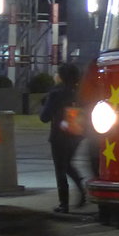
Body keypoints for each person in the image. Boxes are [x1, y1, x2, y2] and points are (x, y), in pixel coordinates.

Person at [39, 62, 87, 213]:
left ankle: (63, 203)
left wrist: (45, 104)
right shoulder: (80, 92)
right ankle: (81, 187)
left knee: (60, 168)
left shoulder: (56, 93)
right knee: (67, 164)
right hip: (77, 134)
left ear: (60, 76)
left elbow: (44, 117)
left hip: (59, 136)